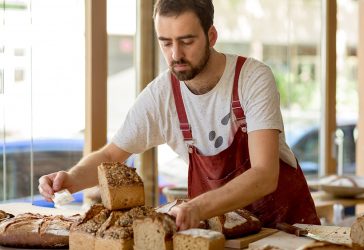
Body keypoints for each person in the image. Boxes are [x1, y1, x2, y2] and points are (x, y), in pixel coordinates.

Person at [39, 0, 320, 230]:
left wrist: (197, 206)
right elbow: (112, 156)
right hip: (222, 237)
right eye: (166, 43)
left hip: (288, 230)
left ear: (211, 36)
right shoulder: (161, 95)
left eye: (186, 41)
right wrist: (70, 179)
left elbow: (264, 175)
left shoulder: (252, 78)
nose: (176, 55)